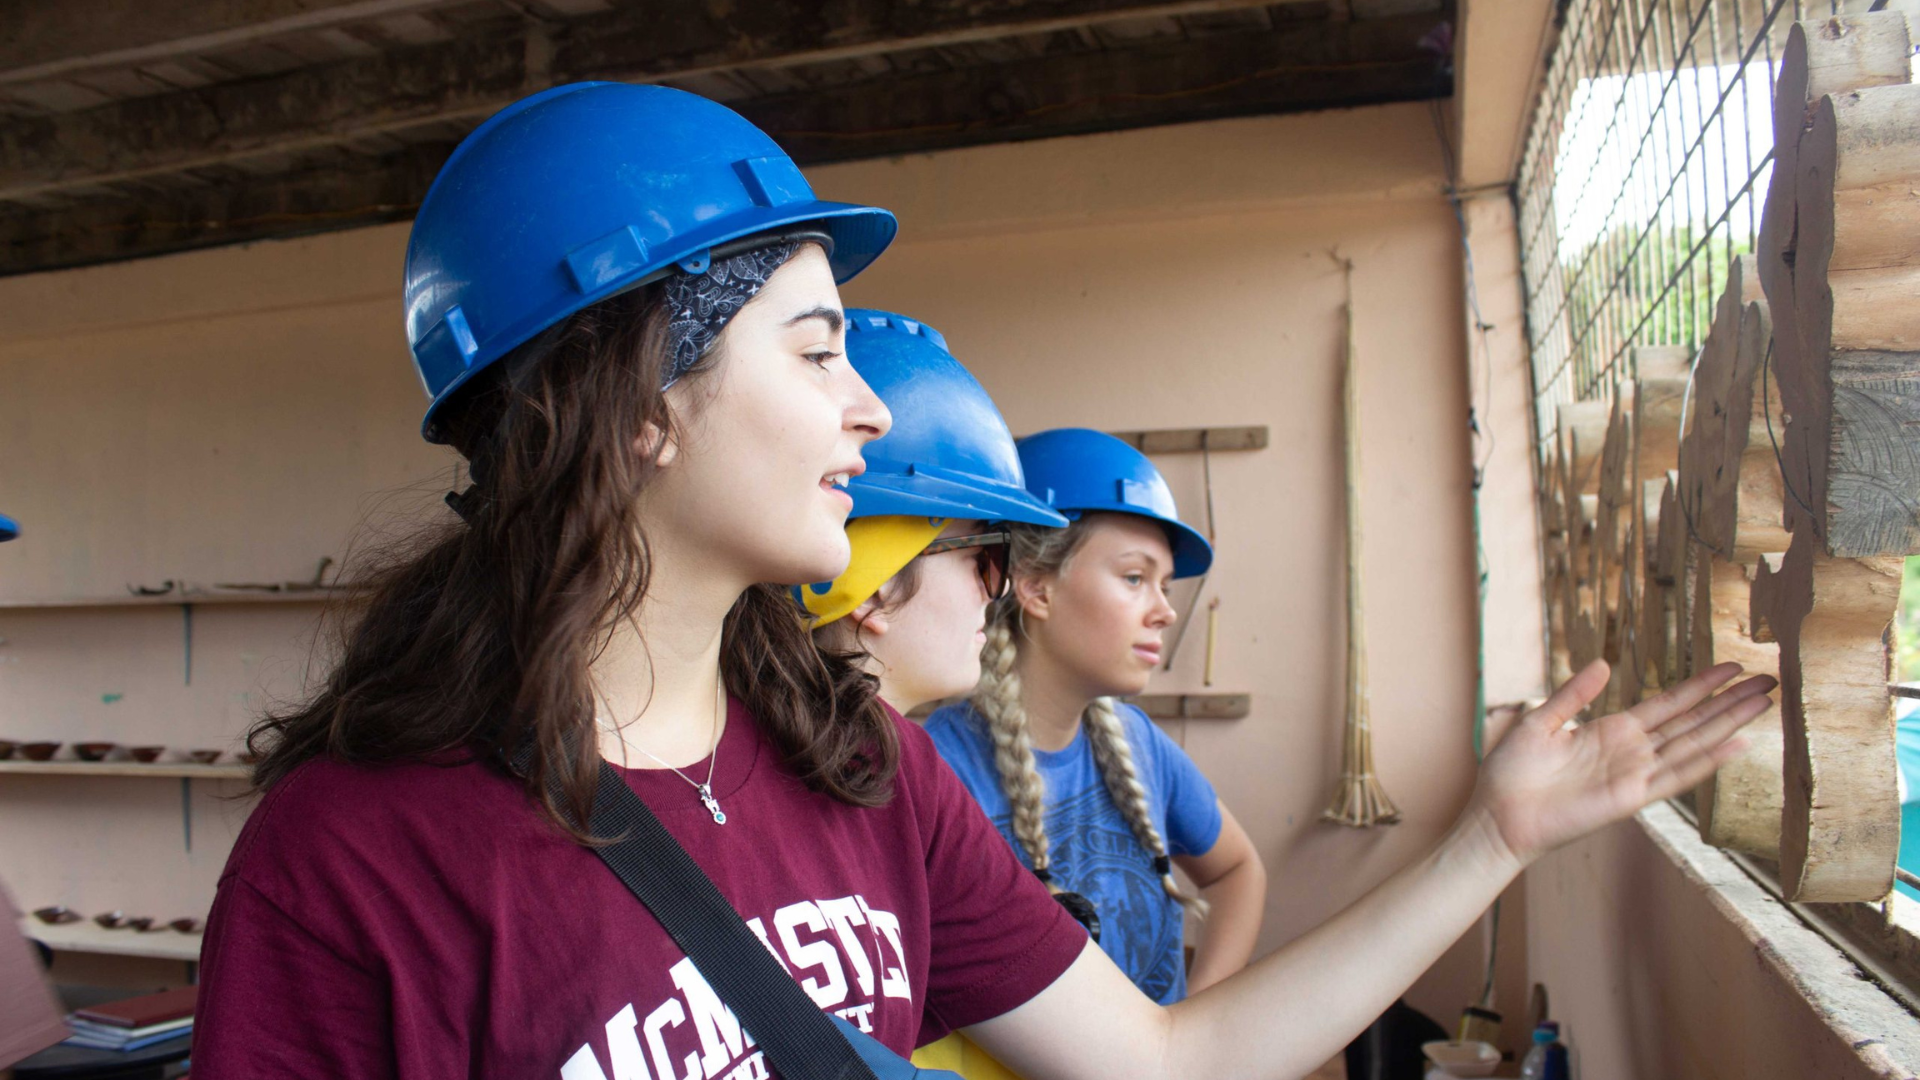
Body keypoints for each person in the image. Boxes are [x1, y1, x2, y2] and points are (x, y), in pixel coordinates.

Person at [190, 80, 1776, 1080]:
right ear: (638, 404)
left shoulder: (856, 769)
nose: (865, 411)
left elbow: (1162, 1062)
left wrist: (1486, 844)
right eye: (815, 352)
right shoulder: (352, 856)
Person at [797, 309, 1068, 1080]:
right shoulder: (875, 780)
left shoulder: (893, 771)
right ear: (873, 588)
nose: (1002, 592)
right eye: (988, 558)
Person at [924, 429, 1265, 1004]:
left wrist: (1193, 1031)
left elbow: (1239, 871)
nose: (1165, 612)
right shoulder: (936, 770)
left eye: (1164, 585)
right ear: (1035, 588)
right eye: (1135, 578)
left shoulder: (1139, 744)